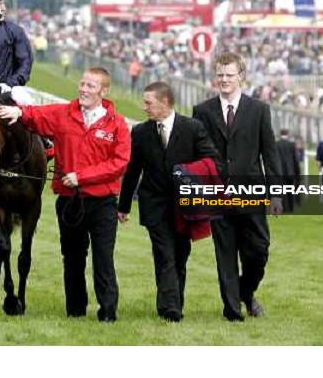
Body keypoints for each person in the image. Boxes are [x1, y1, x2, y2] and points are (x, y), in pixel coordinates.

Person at [0, 67, 130, 322]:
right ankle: (75, 311)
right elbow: (36, 116)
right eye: (82, 84)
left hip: (103, 203)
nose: (83, 89)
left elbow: (119, 163)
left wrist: (82, 177)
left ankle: (108, 312)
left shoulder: (118, 124)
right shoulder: (63, 114)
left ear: (103, 91)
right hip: (70, 203)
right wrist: (19, 111)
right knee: (72, 258)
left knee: (103, 259)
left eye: (90, 86)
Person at [117, 82, 219, 322]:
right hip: (153, 204)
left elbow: (212, 160)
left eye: (148, 103)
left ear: (165, 103)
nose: (144, 107)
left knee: (180, 253)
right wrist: (123, 205)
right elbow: (133, 170)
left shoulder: (193, 128)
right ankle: (171, 308)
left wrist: (186, 172)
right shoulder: (140, 132)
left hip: (185, 206)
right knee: (164, 253)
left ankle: (171, 302)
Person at [193, 52, 282, 322]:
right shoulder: (202, 111)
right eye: (220, 75)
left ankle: (246, 291)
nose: (224, 80)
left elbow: (270, 153)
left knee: (258, 250)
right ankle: (232, 312)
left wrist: (275, 193)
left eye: (229, 75)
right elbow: (197, 155)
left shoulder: (259, 109)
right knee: (225, 255)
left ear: (241, 76)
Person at [276, 128, 300, 213]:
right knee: (290, 190)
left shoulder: (276, 145)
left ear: (280, 134)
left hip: (280, 171)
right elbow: (295, 159)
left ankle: (284, 208)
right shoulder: (292, 145)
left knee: (282, 190)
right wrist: (297, 172)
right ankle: (290, 208)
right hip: (290, 171)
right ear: (287, 134)